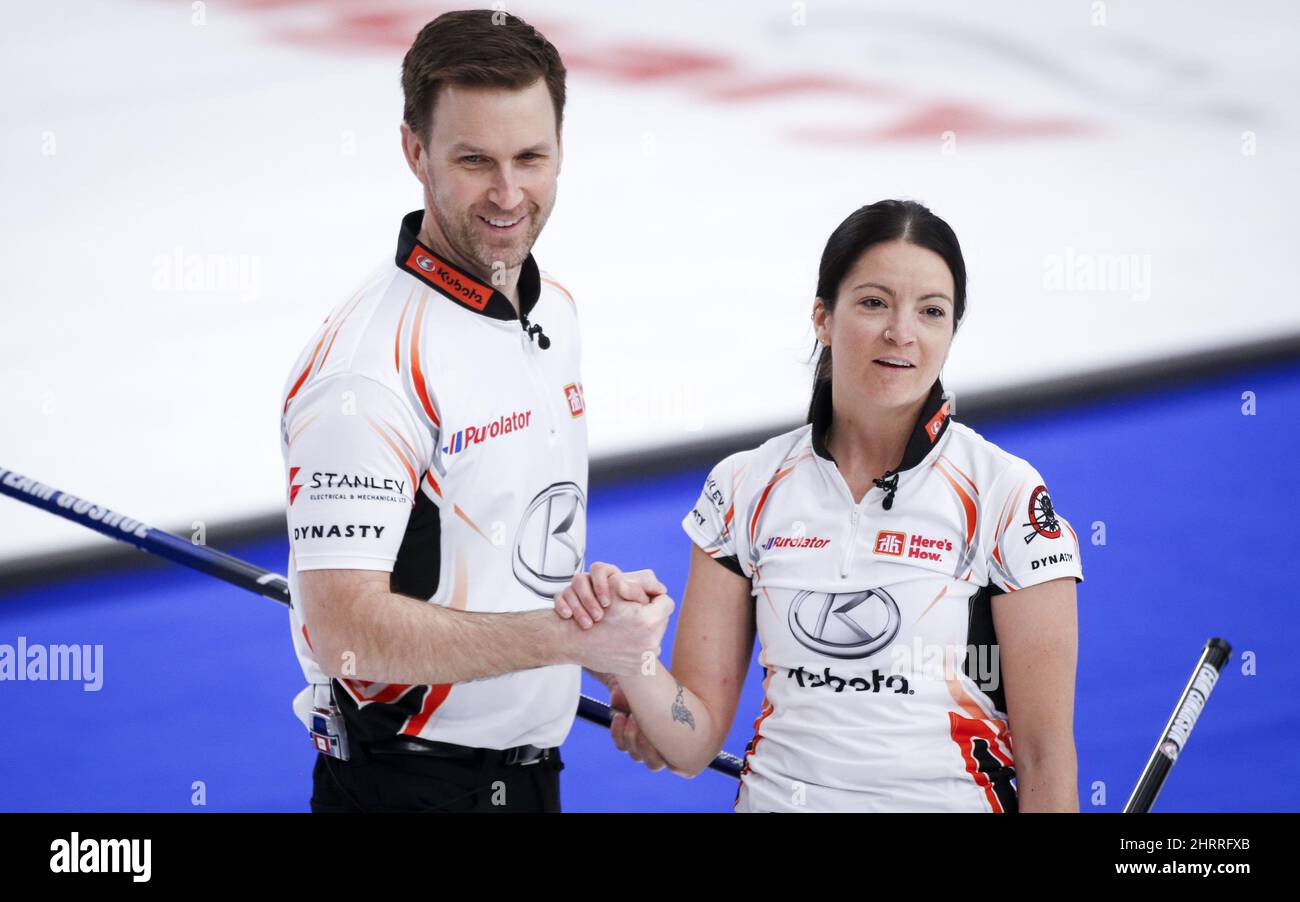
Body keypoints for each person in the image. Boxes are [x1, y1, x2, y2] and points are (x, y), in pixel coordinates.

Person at [555, 199, 1085, 812]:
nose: (901, 332)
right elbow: (690, 741)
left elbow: (1047, 756)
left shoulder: (1005, 493)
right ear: (823, 318)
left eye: (931, 311)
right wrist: (632, 663)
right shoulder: (744, 486)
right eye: (873, 302)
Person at [278, 10, 671, 814]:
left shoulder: (552, 308)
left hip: (529, 776)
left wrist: (596, 644)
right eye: (474, 161)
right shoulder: (367, 373)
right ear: (414, 152)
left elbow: (500, 550)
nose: (507, 193)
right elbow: (342, 633)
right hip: (407, 786)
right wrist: (563, 641)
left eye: (532, 158)